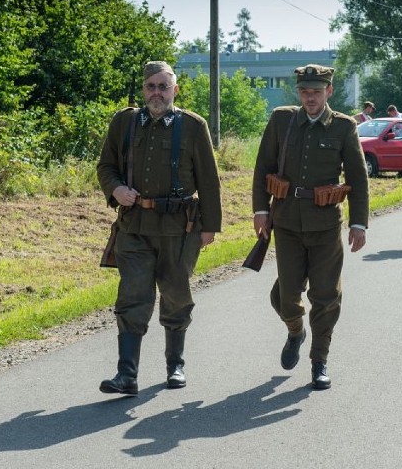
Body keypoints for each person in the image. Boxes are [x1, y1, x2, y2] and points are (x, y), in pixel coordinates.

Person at [96, 61, 222, 395]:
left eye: (163, 86)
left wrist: (210, 226)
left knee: (176, 293)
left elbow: (210, 181)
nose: (157, 93)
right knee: (132, 295)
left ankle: (175, 365)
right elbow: (106, 166)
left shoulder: (193, 126)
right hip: (134, 226)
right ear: (143, 89)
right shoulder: (124, 122)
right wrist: (116, 190)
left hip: (180, 229)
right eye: (151, 86)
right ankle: (127, 374)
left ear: (175, 90)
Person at [251, 64, 369, 390]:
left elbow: (357, 178)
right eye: (304, 91)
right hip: (287, 222)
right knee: (286, 296)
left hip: (326, 225)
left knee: (325, 295)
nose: (310, 97)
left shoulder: (343, 127)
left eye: (316, 91)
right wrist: (261, 210)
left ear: (329, 91)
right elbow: (264, 166)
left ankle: (320, 361)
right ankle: (295, 331)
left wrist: (359, 223)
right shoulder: (281, 120)